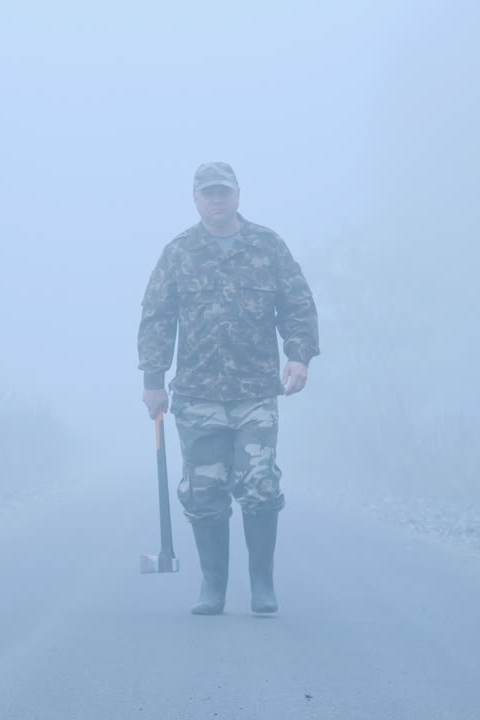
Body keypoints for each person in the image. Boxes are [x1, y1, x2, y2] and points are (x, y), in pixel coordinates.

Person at [137, 161, 320, 615]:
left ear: (238, 195)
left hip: (256, 391)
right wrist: (153, 381)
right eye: (208, 193)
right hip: (197, 394)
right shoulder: (178, 252)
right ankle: (213, 587)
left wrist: (298, 355)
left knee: (259, 484)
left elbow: (297, 304)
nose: (217, 200)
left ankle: (262, 585)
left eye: (224, 192)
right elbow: (157, 318)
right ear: (196, 199)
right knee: (203, 492)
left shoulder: (267, 246)